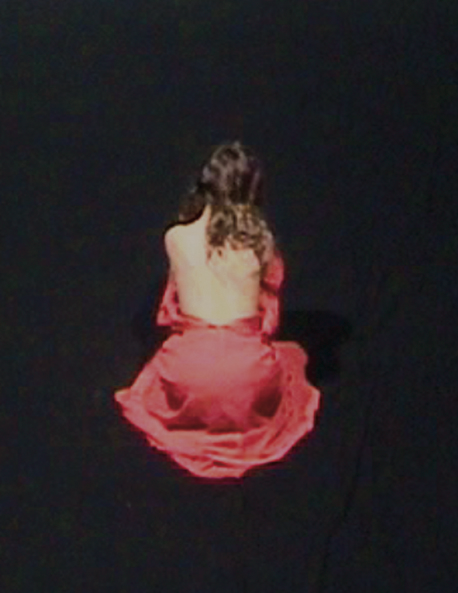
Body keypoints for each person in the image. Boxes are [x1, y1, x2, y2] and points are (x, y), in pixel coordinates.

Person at [114, 141, 321, 479]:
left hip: (188, 369)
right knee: (291, 362)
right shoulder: (261, 246)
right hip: (247, 373)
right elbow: (268, 317)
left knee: (158, 379)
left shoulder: (175, 238)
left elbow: (171, 305)